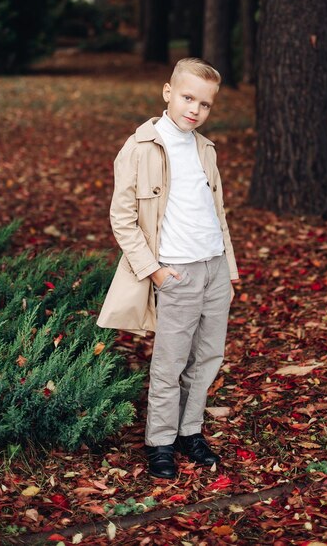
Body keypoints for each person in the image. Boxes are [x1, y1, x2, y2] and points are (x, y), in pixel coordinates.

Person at [97, 57, 239, 478]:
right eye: (187, 98)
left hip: (213, 267)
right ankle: (160, 440)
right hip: (176, 271)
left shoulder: (204, 149)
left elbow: (218, 211)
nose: (195, 109)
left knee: (208, 356)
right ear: (167, 93)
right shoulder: (141, 146)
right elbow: (122, 217)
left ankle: (189, 431)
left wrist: (228, 265)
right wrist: (155, 271)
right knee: (170, 362)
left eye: (205, 104)